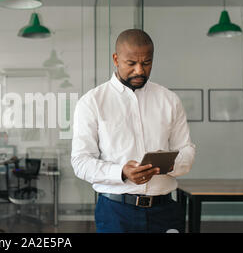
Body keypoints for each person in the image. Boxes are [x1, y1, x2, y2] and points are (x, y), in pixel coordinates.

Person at [71, 29, 196, 233]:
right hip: (115, 213)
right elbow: (80, 162)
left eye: (147, 63)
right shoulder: (92, 102)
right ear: (116, 59)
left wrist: (163, 166)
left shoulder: (169, 100)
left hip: (165, 211)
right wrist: (121, 172)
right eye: (131, 63)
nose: (140, 70)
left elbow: (187, 151)